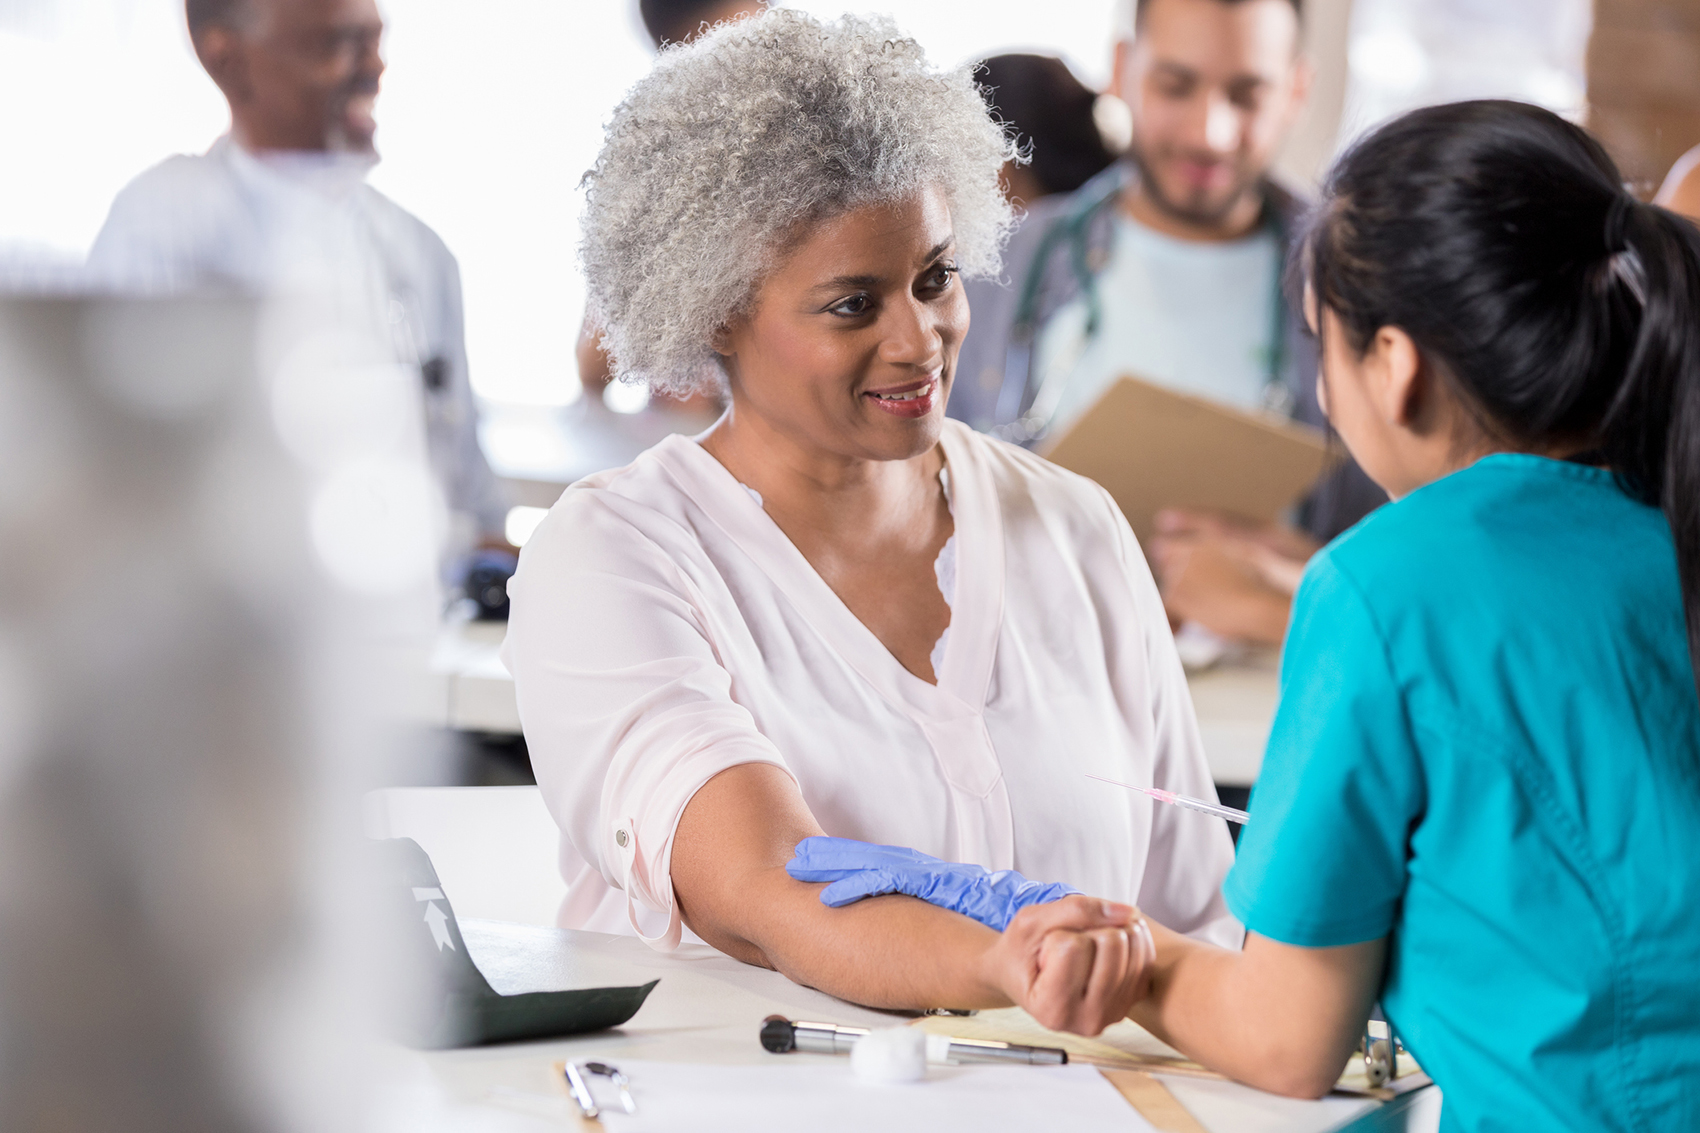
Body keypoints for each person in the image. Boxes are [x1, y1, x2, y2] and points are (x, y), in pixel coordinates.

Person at [826, 100, 1700, 1127]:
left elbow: (1286, 1039)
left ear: (1395, 364)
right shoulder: (1664, 517)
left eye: (1317, 346)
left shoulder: (1383, 586)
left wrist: (1130, 956)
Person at [502, 10, 1239, 1029]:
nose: (919, 338)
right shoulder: (613, 560)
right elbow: (765, 888)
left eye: (933, 277)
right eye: (853, 304)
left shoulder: (1073, 528)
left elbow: (1195, 915)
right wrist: (1013, 951)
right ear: (717, 309)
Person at [951, 0, 1385, 648]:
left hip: (1257, 720)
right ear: (1124, 70)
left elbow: (1412, 569)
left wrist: (1313, 577)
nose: (1210, 132)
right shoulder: (999, 265)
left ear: (1297, 89)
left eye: (1247, 94)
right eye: (1175, 86)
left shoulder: (1365, 291)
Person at [87, 0, 509, 568]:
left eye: (376, 39)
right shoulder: (162, 226)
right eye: (336, 44)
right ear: (226, 58)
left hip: (415, 628)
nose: (375, 68)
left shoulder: (420, 254)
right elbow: (123, 493)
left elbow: (470, 505)